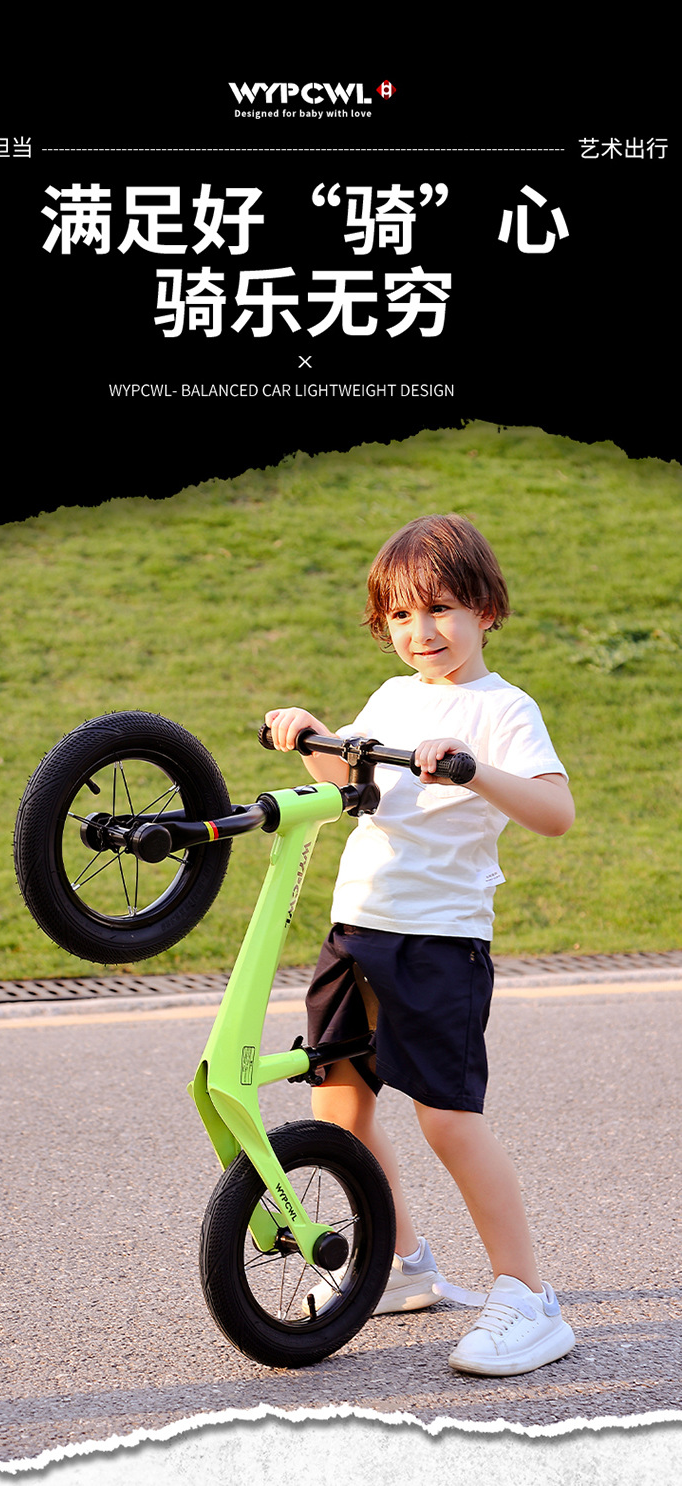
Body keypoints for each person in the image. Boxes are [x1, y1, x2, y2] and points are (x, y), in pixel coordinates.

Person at [264, 513, 577, 1377]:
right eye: (401, 615)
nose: (421, 632)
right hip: (358, 926)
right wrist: (313, 736)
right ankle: (397, 1264)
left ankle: (529, 1297)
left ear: (484, 609)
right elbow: (357, 785)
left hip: (439, 941)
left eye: (439, 609)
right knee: (339, 1100)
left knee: (446, 1118)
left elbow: (556, 812)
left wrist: (473, 767)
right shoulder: (395, 697)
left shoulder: (504, 709)